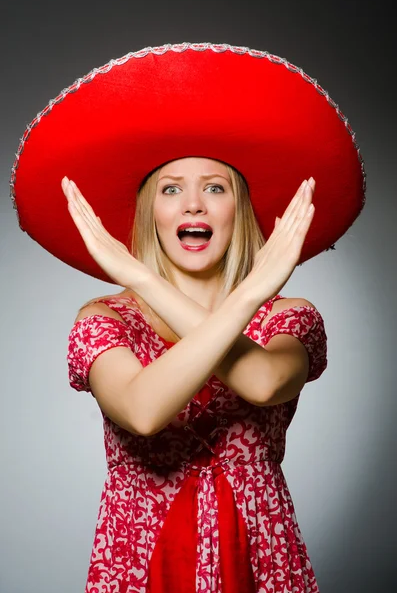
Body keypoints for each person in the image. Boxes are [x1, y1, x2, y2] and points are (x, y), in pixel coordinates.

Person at [10, 43, 365, 592]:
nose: (193, 205)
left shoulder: (290, 319)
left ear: (237, 211)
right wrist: (151, 283)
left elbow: (263, 382)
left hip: (259, 549)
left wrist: (244, 299)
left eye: (214, 188)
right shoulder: (106, 319)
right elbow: (143, 411)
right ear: (152, 214)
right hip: (142, 554)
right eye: (171, 189)